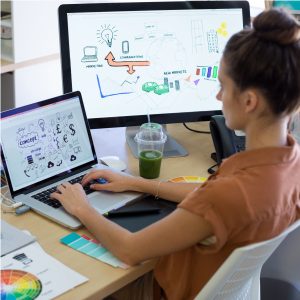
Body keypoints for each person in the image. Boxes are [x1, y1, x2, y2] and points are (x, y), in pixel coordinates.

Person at [51, 8, 300, 300]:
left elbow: (131, 250)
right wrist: (137, 183)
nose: (218, 97)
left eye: (223, 86)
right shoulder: (288, 162)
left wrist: (82, 208)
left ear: (249, 101)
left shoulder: (230, 195)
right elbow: (211, 195)